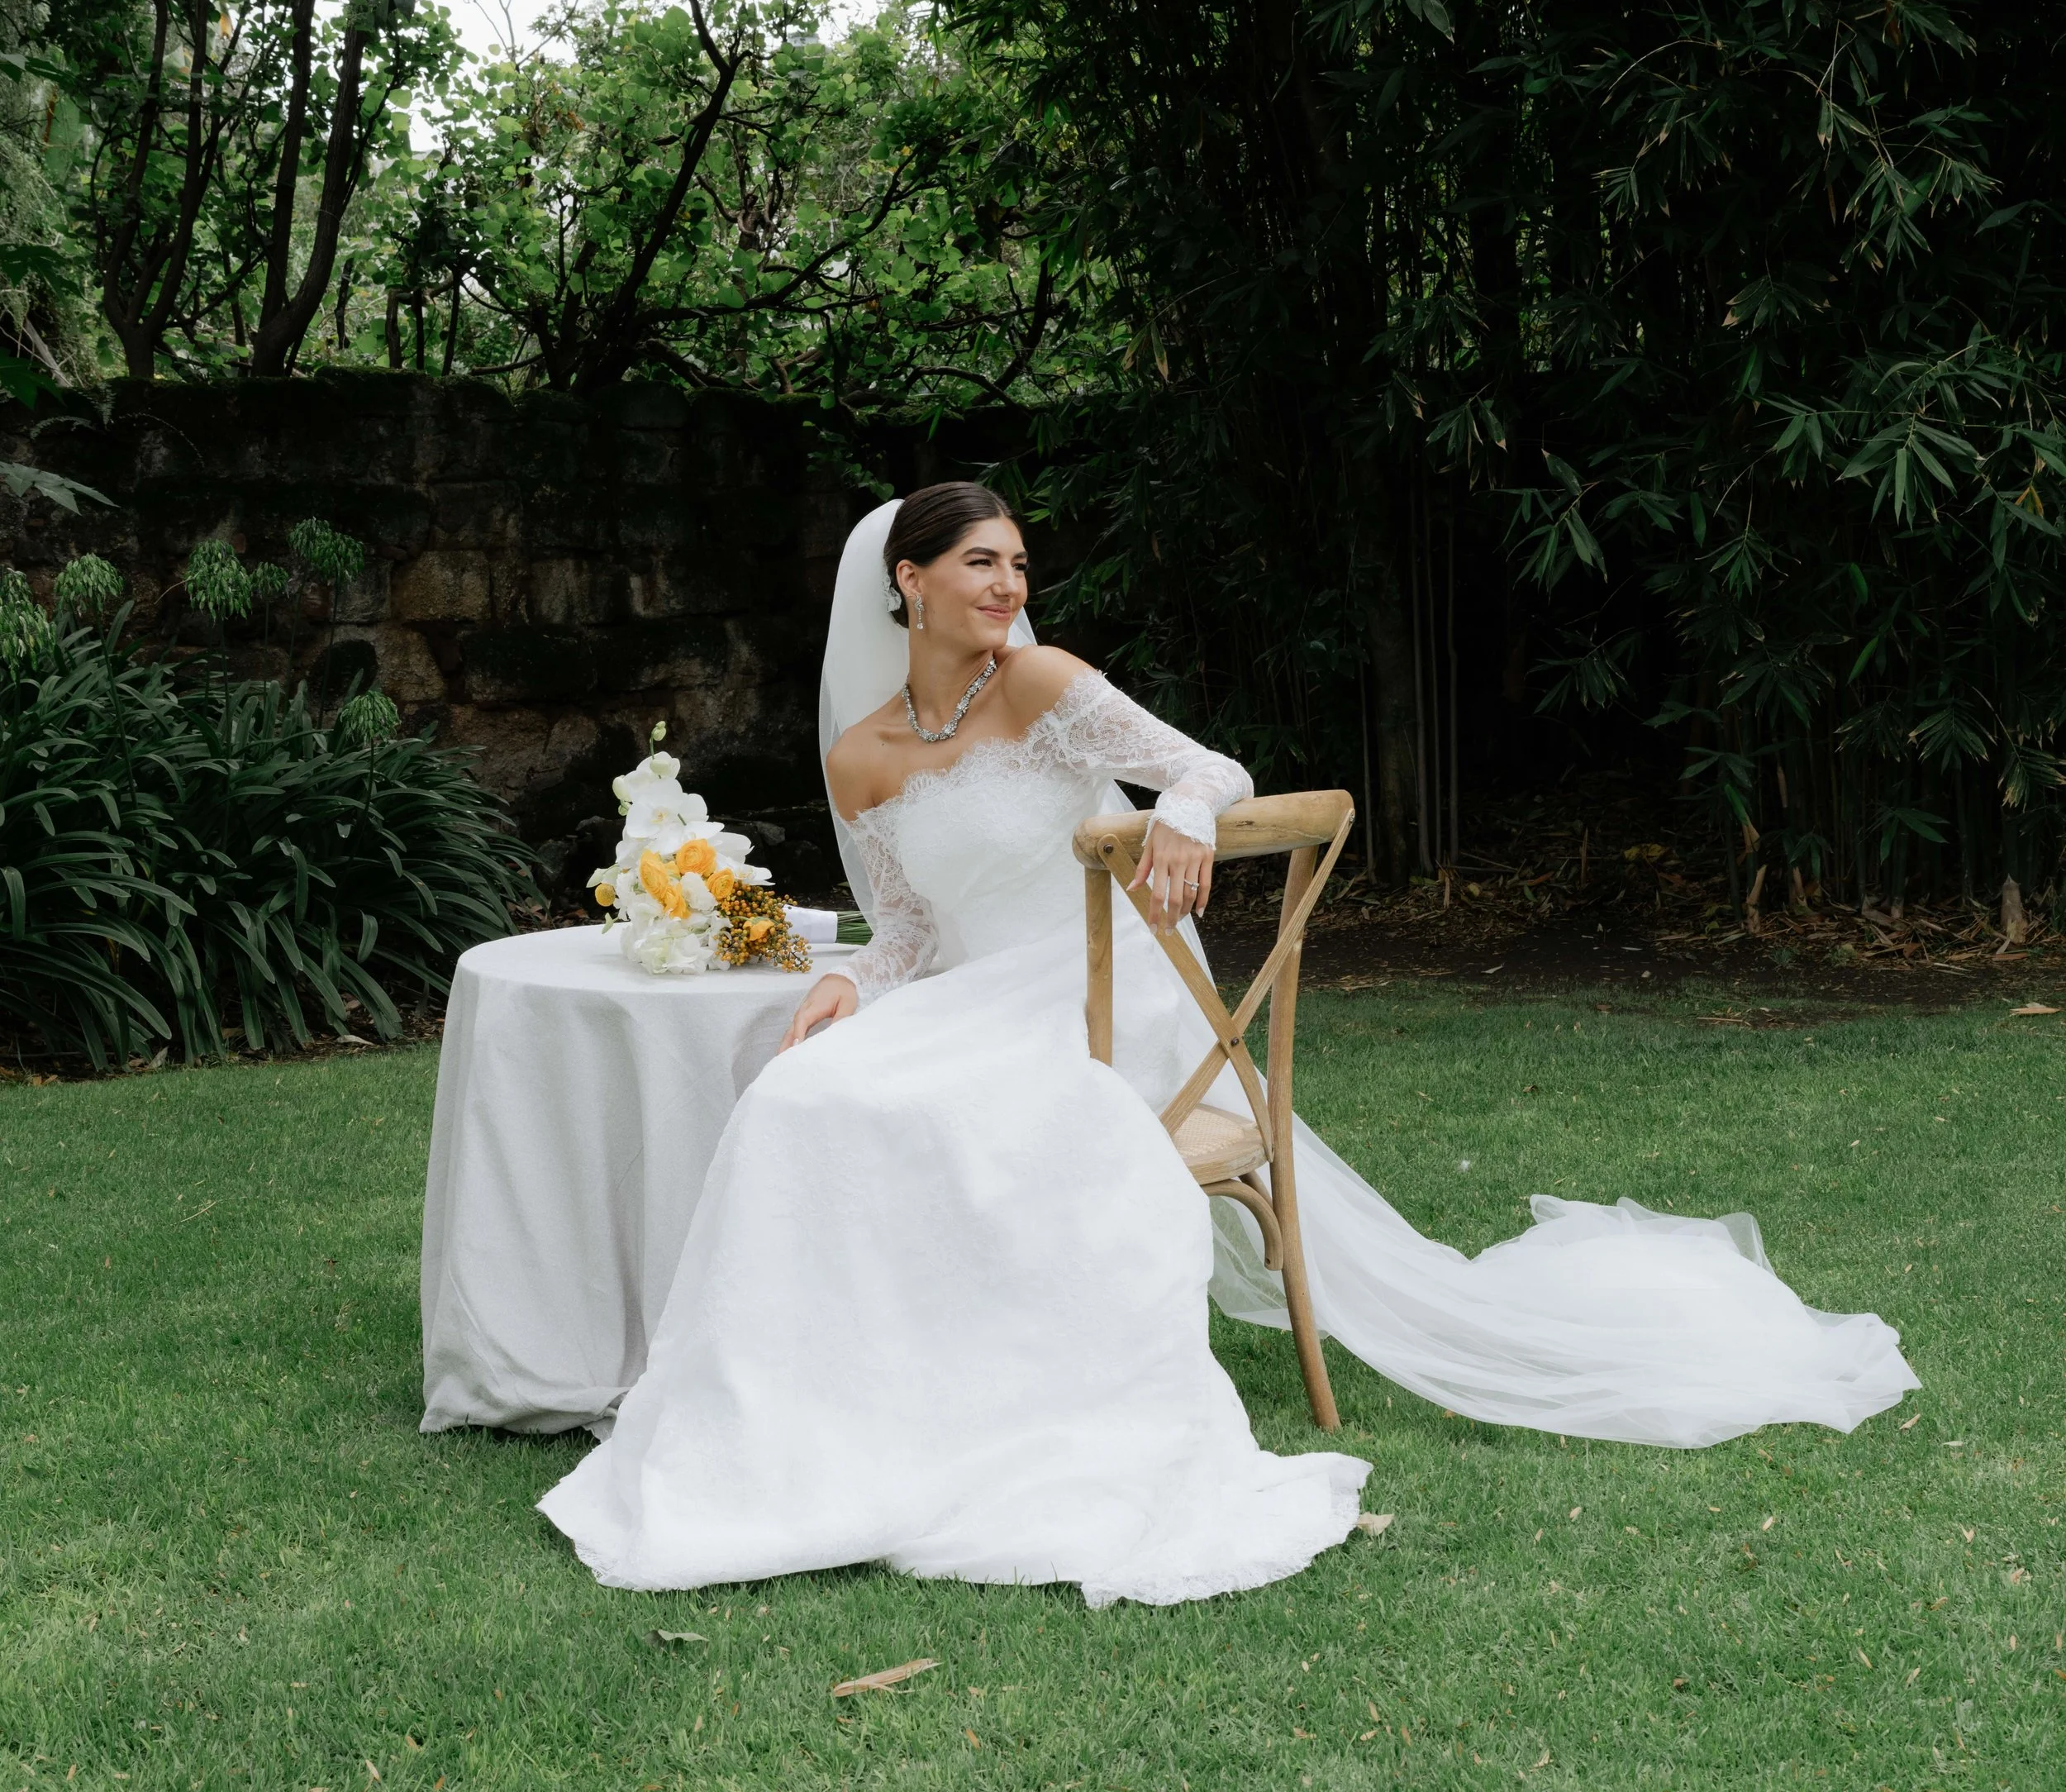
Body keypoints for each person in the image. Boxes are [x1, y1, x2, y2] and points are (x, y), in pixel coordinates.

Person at [538, 488, 1916, 1607]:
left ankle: (990, 1414)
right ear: (905, 579)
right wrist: (853, 987)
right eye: (979, 563)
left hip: (1119, 998)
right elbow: (906, 932)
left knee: (929, 1122)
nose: (1010, 585)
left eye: (1020, 563)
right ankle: (804, 1422)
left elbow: (1212, 770)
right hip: (987, 994)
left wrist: (1182, 817)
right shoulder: (861, 756)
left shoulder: (1050, 685)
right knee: (802, 1094)